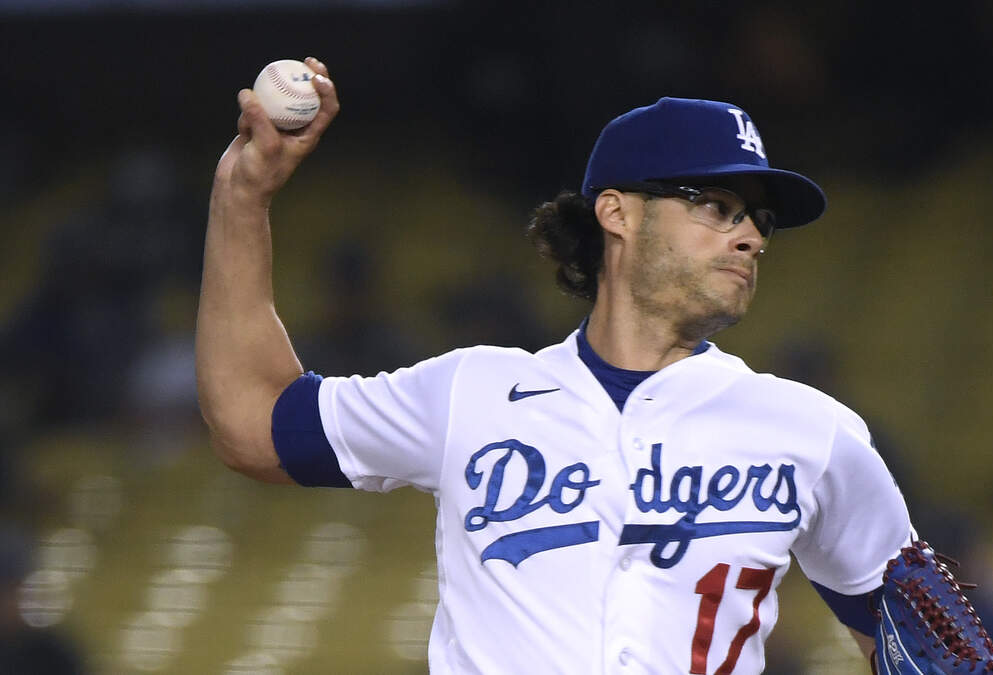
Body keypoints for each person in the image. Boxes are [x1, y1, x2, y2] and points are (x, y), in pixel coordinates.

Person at [197, 57, 915, 674]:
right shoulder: (471, 392)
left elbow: (922, 644)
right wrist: (242, 195)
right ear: (617, 212)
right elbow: (252, 421)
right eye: (719, 205)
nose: (750, 237)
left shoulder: (811, 431)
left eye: (761, 220)